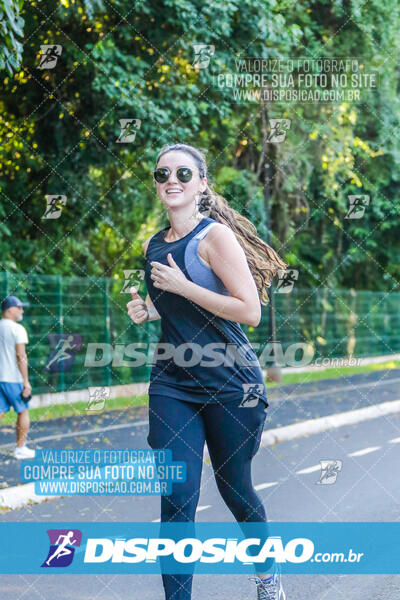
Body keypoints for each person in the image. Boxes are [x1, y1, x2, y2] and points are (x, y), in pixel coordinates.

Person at [127, 143, 288, 600]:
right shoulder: (154, 244)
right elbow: (175, 305)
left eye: (182, 172)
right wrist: (150, 310)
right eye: (162, 174)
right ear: (157, 185)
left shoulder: (214, 237)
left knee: (235, 488)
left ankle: (266, 576)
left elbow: (248, 311)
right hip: (172, 383)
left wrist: (182, 285)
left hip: (230, 384)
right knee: (176, 499)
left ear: (201, 183)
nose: (171, 180)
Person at [0, 295, 35, 459]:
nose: (21, 310)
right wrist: (26, 382)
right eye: (19, 307)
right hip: (12, 378)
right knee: (23, 411)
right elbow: (21, 357)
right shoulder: (17, 329)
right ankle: (20, 448)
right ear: (10, 310)